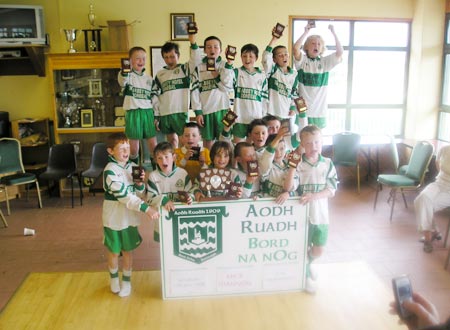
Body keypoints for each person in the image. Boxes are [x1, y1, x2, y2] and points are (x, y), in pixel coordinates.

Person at [102, 132, 160, 297]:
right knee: (113, 251)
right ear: (110, 151)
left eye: (128, 147)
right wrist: (146, 209)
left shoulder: (132, 167)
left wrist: (140, 184)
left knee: (128, 251)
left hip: (129, 218)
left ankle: (126, 281)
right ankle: (114, 278)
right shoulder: (110, 171)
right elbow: (124, 196)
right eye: (121, 148)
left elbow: (139, 194)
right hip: (113, 218)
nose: (126, 151)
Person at [290, 125, 338, 293]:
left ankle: (308, 265)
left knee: (319, 249)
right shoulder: (298, 164)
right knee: (301, 246)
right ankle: (304, 277)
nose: (314, 146)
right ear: (302, 144)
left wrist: (314, 196)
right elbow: (291, 187)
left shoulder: (327, 163)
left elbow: (331, 190)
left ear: (322, 142)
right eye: (309, 143)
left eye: (317, 142)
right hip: (301, 214)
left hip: (321, 214)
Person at [152, 29, 203, 148]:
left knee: (183, 142)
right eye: (166, 57)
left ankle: (184, 165)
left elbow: (196, 60)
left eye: (172, 56)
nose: (169, 60)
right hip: (165, 113)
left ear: (178, 56)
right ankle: (173, 165)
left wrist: (193, 42)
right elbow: (155, 96)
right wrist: (156, 115)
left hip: (180, 111)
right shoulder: (160, 74)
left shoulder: (184, 69)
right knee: (171, 143)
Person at [292, 22, 343, 129]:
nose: (316, 45)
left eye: (319, 44)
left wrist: (333, 33)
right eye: (313, 43)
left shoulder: (325, 62)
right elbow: (295, 49)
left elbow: (339, 52)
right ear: (306, 46)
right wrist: (306, 31)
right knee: (301, 137)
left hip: (319, 109)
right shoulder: (302, 60)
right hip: (302, 106)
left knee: (316, 139)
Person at [191, 36, 234, 149]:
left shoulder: (226, 65)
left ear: (220, 49)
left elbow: (228, 88)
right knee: (207, 143)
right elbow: (194, 91)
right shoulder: (199, 67)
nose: (212, 50)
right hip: (206, 111)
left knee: (224, 142)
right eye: (209, 47)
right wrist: (198, 112)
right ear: (204, 50)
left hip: (223, 109)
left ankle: (222, 165)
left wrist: (216, 76)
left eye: (216, 47)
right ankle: (208, 165)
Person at [118, 46, 157, 165]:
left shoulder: (149, 78)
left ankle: (157, 172)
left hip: (148, 112)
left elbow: (154, 98)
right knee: (134, 148)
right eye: (137, 58)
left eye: (143, 58)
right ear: (130, 60)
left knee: (153, 145)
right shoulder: (127, 75)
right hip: (133, 112)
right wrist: (125, 70)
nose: (141, 61)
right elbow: (122, 81)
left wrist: (156, 115)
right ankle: (133, 171)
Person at [147, 141, 193, 242]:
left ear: (174, 157)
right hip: (162, 219)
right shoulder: (153, 176)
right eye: (159, 158)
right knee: (164, 249)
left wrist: (190, 198)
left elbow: (190, 192)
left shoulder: (182, 174)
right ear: (155, 160)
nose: (164, 161)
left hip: (181, 218)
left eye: (167, 157)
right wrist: (164, 200)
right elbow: (150, 199)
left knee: (181, 243)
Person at [262, 28, 304, 129]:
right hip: (271, 113)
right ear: (274, 59)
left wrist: (293, 108)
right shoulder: (273, 70)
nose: (284, 57)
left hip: (286, 114)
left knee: (285, 141)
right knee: (271, 140)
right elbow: (265, 57)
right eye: (280, 55)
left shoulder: (294, 75)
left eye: (286, 54)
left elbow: (294, 94)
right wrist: (274, 39)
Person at [228, 43, 268, 144]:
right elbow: (226, 84)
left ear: (256, 58)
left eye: (251, 56)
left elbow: (264, 100)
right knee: (238, 147)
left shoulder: (262, 76)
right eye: (244, 56)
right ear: (241, 57)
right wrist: (229, 62)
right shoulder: (236, 72)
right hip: (239, 118)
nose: (247, 59)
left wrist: (263, 117)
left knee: (251, 149)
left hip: (255, 119)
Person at [414, 145, 450, 253]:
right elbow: (437, 162)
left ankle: (428, 238)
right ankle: (431, 232)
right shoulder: (444, 149)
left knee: (426, 206)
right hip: (439, 183)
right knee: (422, 199)